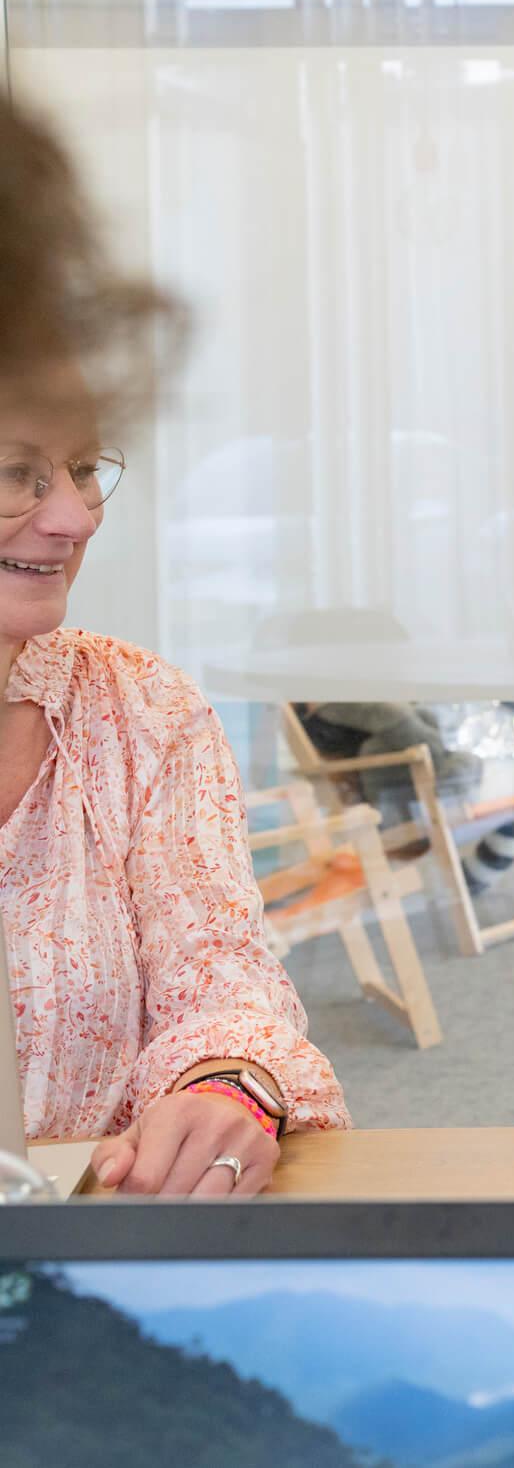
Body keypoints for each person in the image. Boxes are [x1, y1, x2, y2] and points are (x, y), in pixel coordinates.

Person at [0, 96, 347, 1196]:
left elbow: (224, 983)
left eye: (87, 467)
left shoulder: (134, 708)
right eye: (19, 472)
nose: (76, 516)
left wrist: (227, 1085)